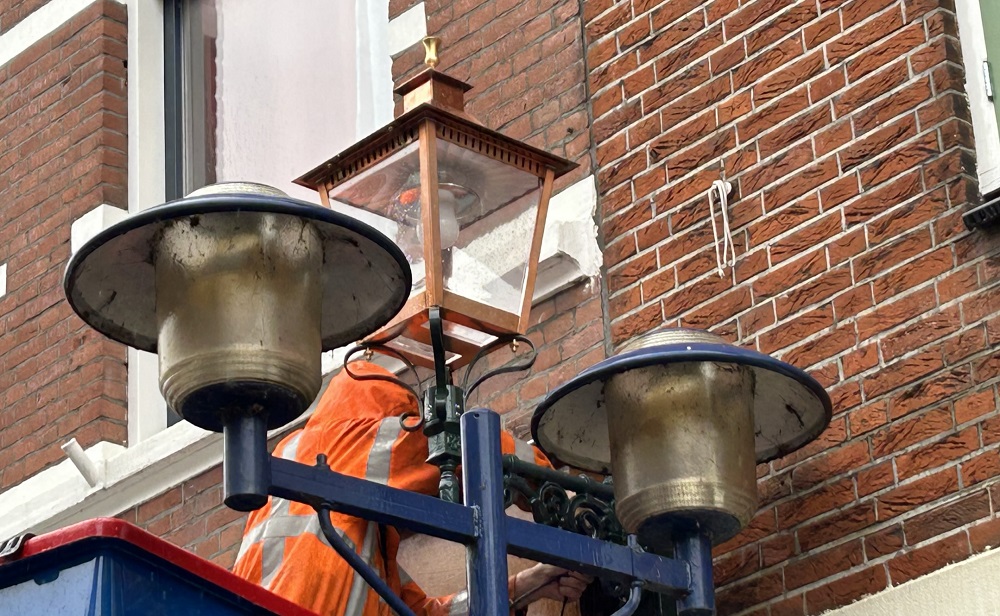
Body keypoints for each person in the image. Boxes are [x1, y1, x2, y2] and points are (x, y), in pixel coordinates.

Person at [233, 360, 590, 615]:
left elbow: (422, 612)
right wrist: (553, 488)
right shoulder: (344, 442)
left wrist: (530, 584)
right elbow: (456, 445)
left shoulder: (339, 527)